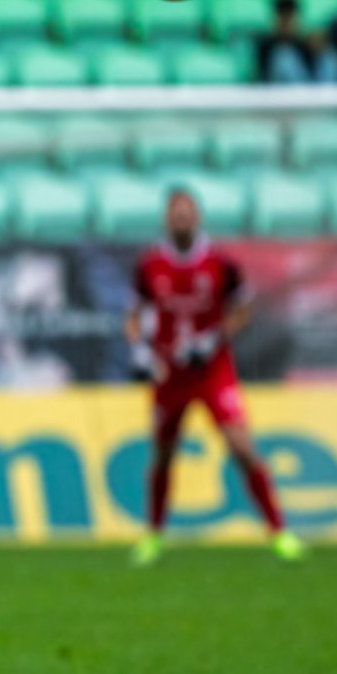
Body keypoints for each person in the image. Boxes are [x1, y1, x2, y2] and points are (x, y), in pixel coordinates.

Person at [125, 189, 305, 567]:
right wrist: (139, 351)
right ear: (167, 220)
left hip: (212, 371)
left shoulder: (220, 263)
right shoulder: (150, 265)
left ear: (198, 218)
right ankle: (153, 535)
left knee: (242, 448)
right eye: (176, 214)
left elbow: (243, 308)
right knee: (163, 454)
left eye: (187, 213)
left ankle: (279, 531)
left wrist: (213, 340)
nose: (182, 220)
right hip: (170, 374)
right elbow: (135, 315)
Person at [256, 0, 337, 84]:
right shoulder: (266, 45)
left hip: (312, 86)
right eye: (283, 18)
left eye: (289, 17)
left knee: (329, 57)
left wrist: (319, 49)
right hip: (279, 90)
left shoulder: (305, 44)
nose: (286, 24)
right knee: (284, 57)